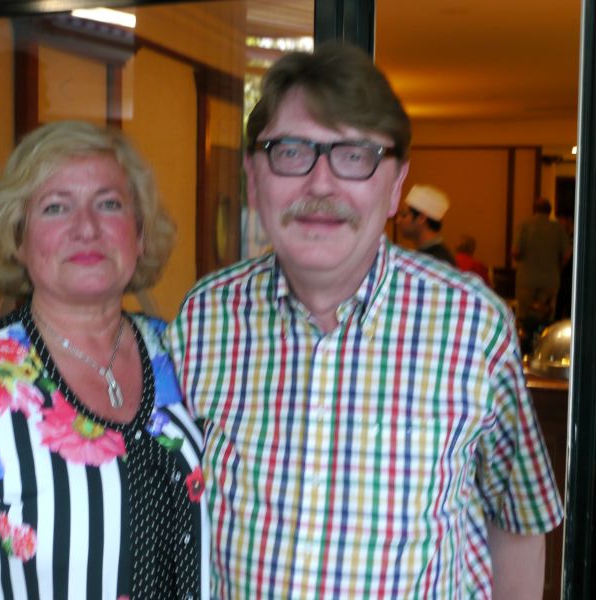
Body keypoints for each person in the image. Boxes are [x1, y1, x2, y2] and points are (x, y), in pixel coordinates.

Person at [166, 42, 562, 598]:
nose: (320, 184)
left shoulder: (474, 326)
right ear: (254, 178)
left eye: (355, 155)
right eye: (291, 151)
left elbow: (518, 520)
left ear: (396, 185)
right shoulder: (203, 319)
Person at [0, 121, 209, 599]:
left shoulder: (187, 354)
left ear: (140, 233)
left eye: (109, 204)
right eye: (55, 207)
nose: (86, 228)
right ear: (18, 239)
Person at [513, 198, 572, 350]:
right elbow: (567, 254)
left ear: (534, 209)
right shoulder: (558, 228)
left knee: (524, 318)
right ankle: (542, 348)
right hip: (550, 280)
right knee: (545, 319)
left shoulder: (524, 226)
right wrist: (558, 267)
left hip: (526, 280)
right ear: (549, 211)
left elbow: (516, 251)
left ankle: (524, 349)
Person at [397, 183, 456, 264]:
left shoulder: (436, 260)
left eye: (403, 215)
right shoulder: (430, 254)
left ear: (422, 218)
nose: (398, 221)